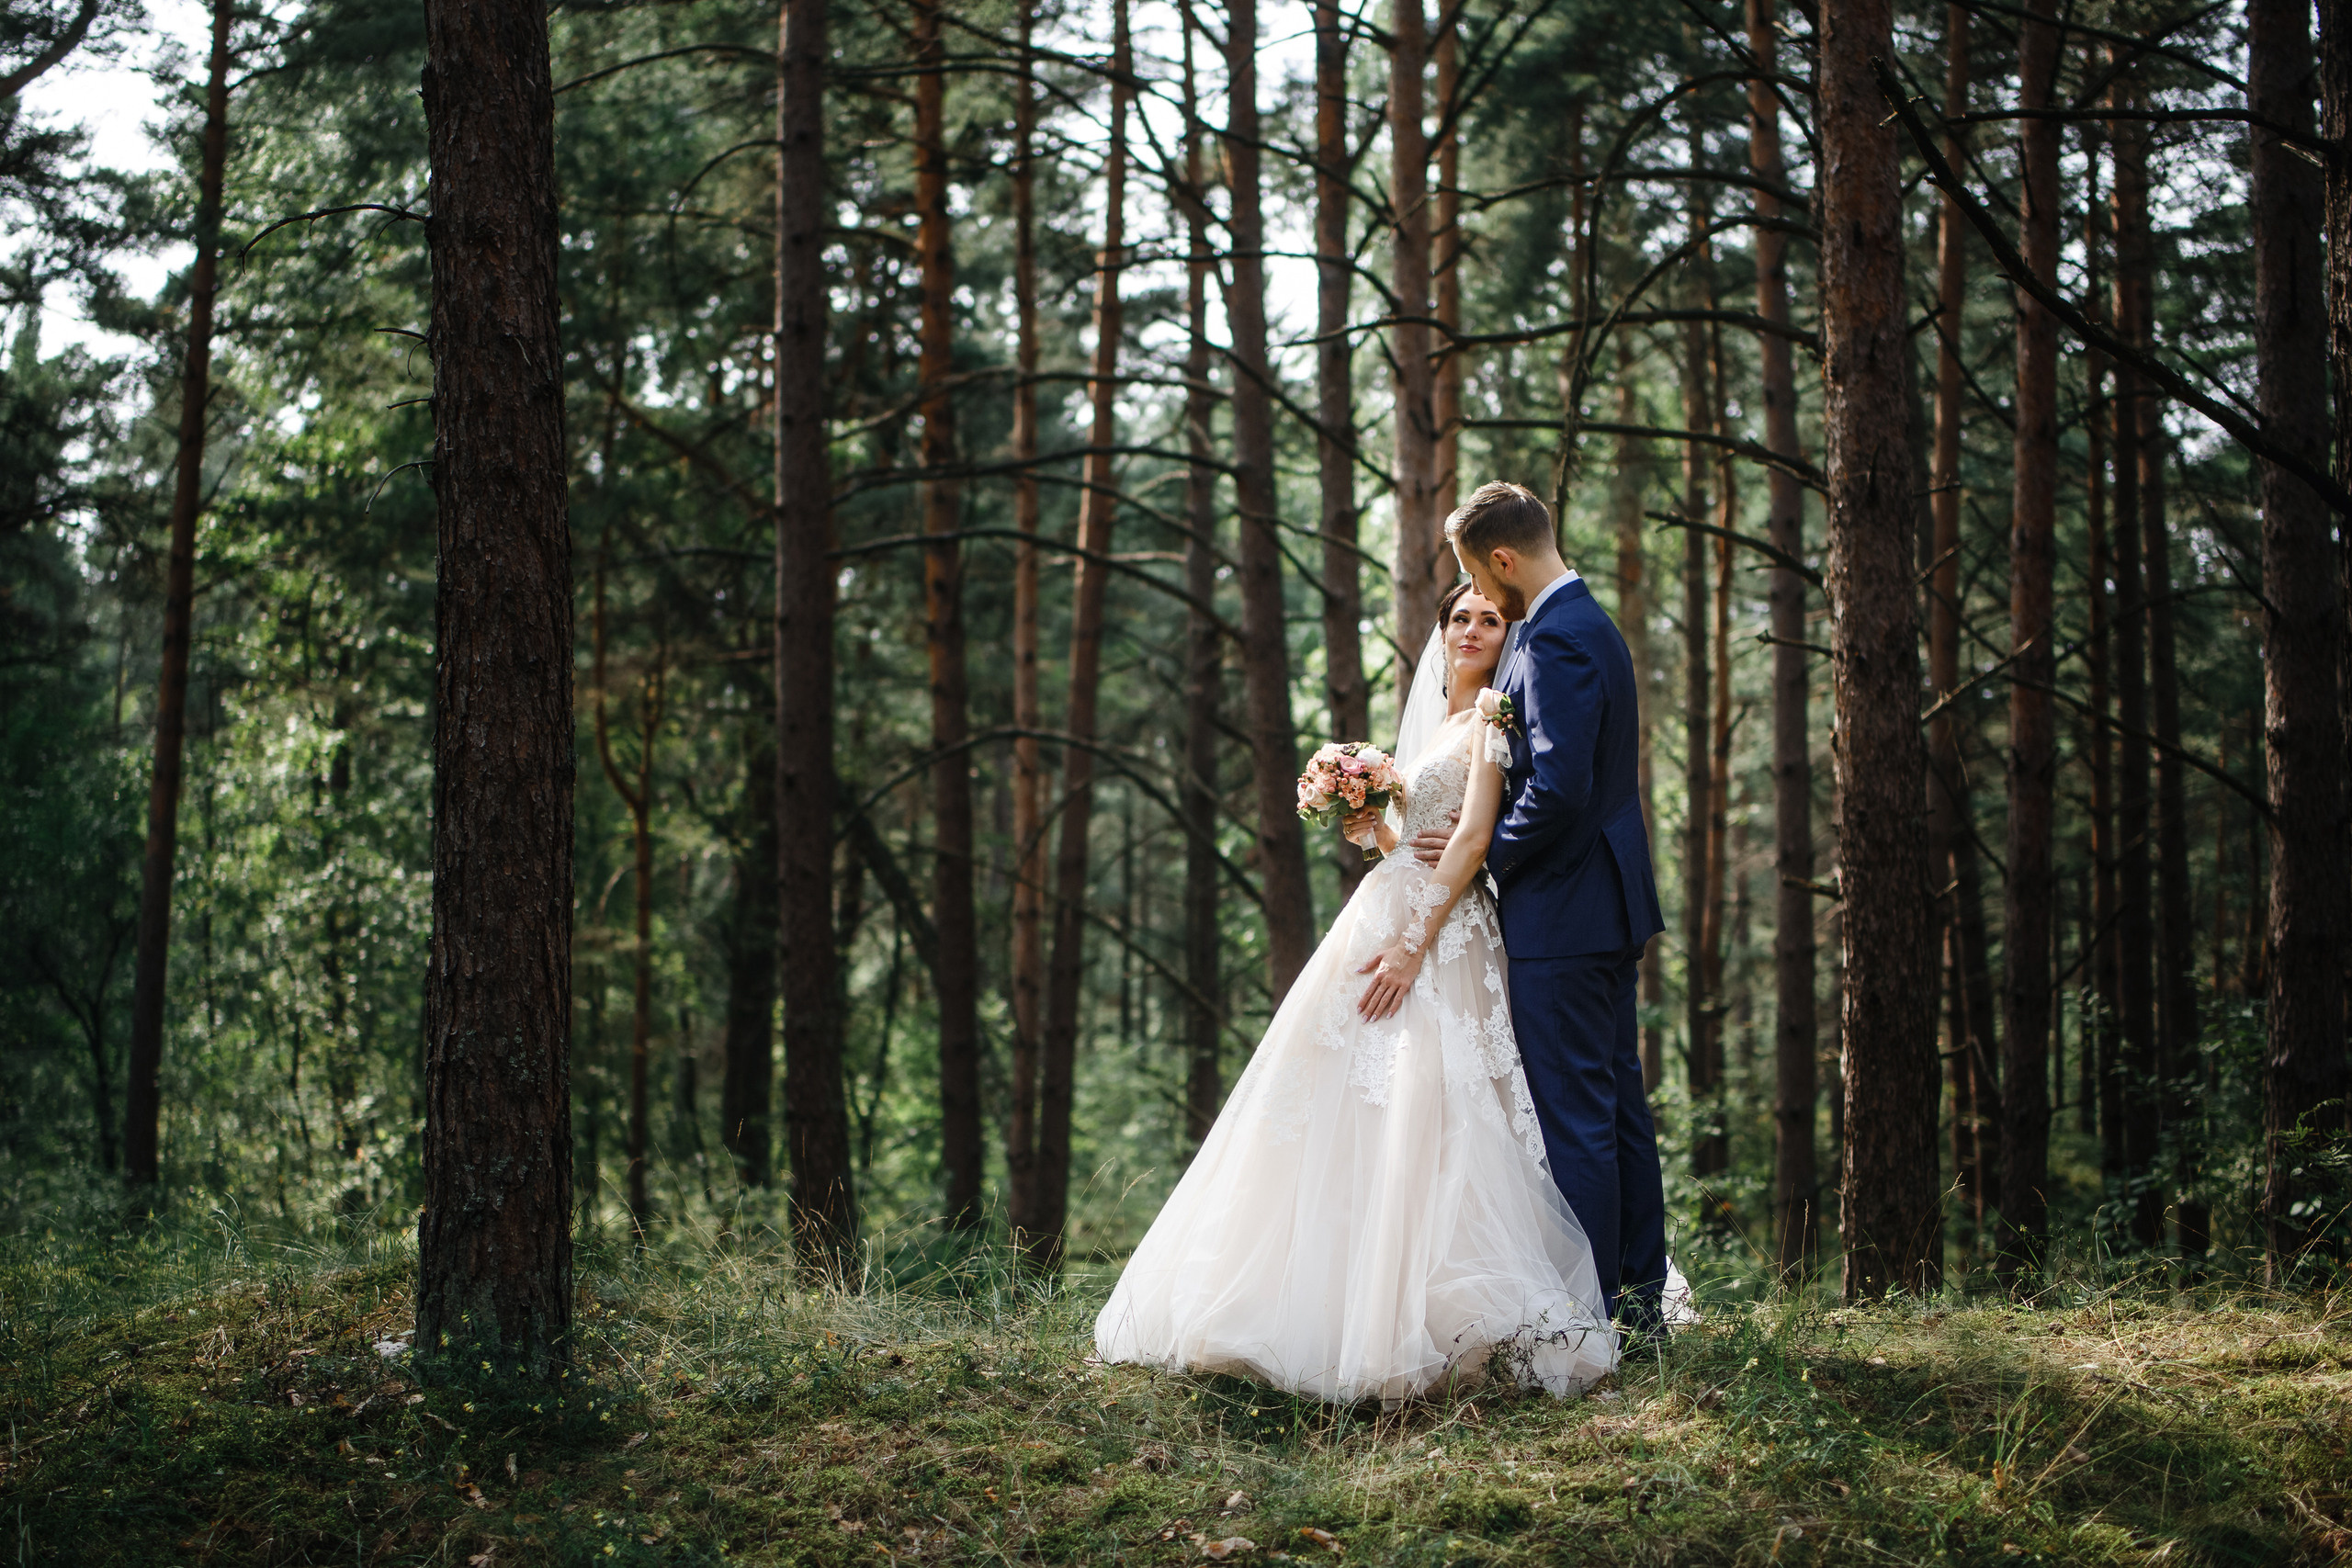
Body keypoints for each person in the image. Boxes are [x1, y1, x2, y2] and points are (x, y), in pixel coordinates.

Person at [1093, 581, 1617, 1406]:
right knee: (1343, 1098)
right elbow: (1402, 841)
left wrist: (1414, 947)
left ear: (1507, 633)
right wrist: (1365, 814)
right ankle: (1322, 1302)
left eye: (1490, 617)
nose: (1474, 629)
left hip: (1442, 934)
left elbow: (1475, 836)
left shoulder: (1494, 719)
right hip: (1387, 911)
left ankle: (1432, 1314)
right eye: (1460, 618)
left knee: (1438, 1103)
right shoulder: (1436, 723)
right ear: (1440, 633)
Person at [1409, 479, 1671, 1341]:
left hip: (1563, 908)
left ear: (1503, 558)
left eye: (1479, 581)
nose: (1480, 598)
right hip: (1604, 900)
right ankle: (1636, 1310)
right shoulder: (1583, 623)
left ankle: (1592, 1321)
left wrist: (1487, 866)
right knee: (1619, 1111)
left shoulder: (1555, 639)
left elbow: (1556, 789)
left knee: (1578, 1117)